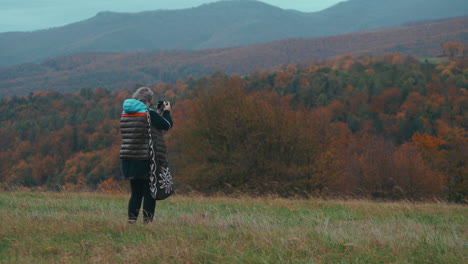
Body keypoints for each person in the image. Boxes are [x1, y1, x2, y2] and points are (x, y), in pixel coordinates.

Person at [119, 86, 173, 224]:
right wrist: (166, 112)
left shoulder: (126, 112)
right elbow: (166, 125)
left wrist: (157, 112)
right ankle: (147, 224)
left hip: (129, 157)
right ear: (148, 100)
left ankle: (131, 223)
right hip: (146, 158)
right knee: (150, 192)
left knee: (135, 194)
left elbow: (147, 125)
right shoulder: (148, 113)